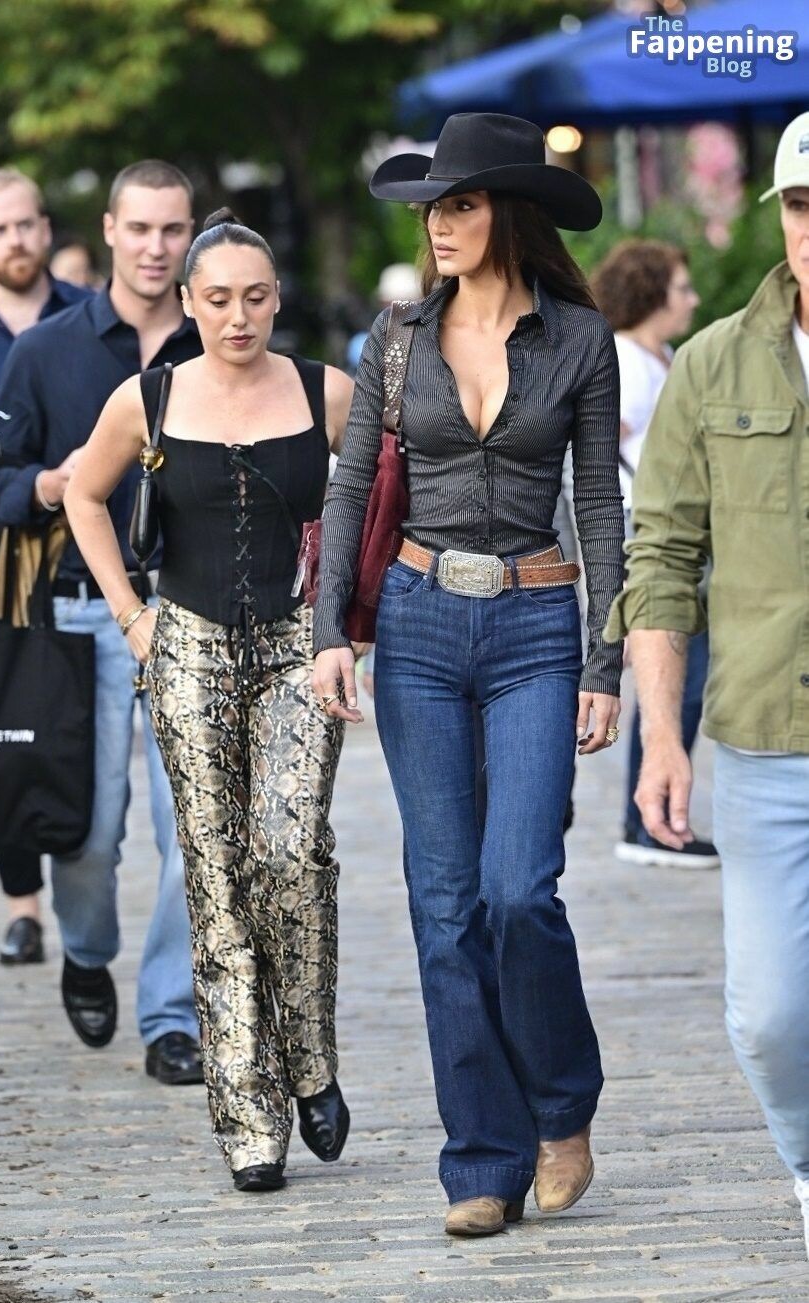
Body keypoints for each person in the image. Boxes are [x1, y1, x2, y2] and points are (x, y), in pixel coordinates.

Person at [312, 112, 624, 1236]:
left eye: (459, 205)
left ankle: (560, 1104)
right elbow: (351, 487)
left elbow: (599, 503)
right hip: (419, 627)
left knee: (517, 891)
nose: (438, 226)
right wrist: (328, 631)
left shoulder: (578, 340)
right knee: (444, 906)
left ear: (509, 213)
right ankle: (481, 1160)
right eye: (432, 208)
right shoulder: (396, 339)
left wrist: (603, 658)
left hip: (536, 626)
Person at [64, 209, 355, 1191]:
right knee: (215, 870)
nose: (239, 317)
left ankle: (309, 1056)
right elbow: (84, 495)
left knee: (291, 850)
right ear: (188, 303)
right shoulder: (148, 397)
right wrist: (130, 615)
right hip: (184, 644)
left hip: (295, 646)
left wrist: (347, 618)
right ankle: (248, 1113)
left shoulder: (324, 390)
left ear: (277, 301)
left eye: (256, 298)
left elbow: (379, 497)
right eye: (219, 299)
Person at [605, 110, 809, 1259]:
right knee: (772, 1015)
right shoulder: (710, 363)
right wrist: (661, 738)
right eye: (799, 205)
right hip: (763, 738)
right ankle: (805, 1166)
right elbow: (660, 557)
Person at [0, 160, 203, 1086]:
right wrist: (53, 482)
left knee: (192, 825)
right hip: (79, 615)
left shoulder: (219, 340)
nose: (156, 248)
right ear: (109, 230)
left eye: (173, 229)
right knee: (87, 830)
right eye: (140, 228)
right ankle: (84, 948)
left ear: (191, 234)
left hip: (194, 614)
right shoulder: (46, 350)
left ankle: (171, 1013)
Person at [0, 168, 90, 964]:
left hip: (82, 540)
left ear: (46, 226)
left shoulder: (87, 316)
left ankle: (78, 874)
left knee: (64, 709)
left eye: (26, 224)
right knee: (3, 710)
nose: (16, 240)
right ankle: (23, 905)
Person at [590, 240, 717, 870]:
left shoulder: (660, 357)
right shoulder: (624, 360)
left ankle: (652, 818)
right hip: (647, 533)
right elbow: (593, 452)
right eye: (682, 289)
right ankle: (650, 823)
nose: (692, 300)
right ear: (652, 295)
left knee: (687, 679)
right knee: (677, 679)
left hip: (681, 534)